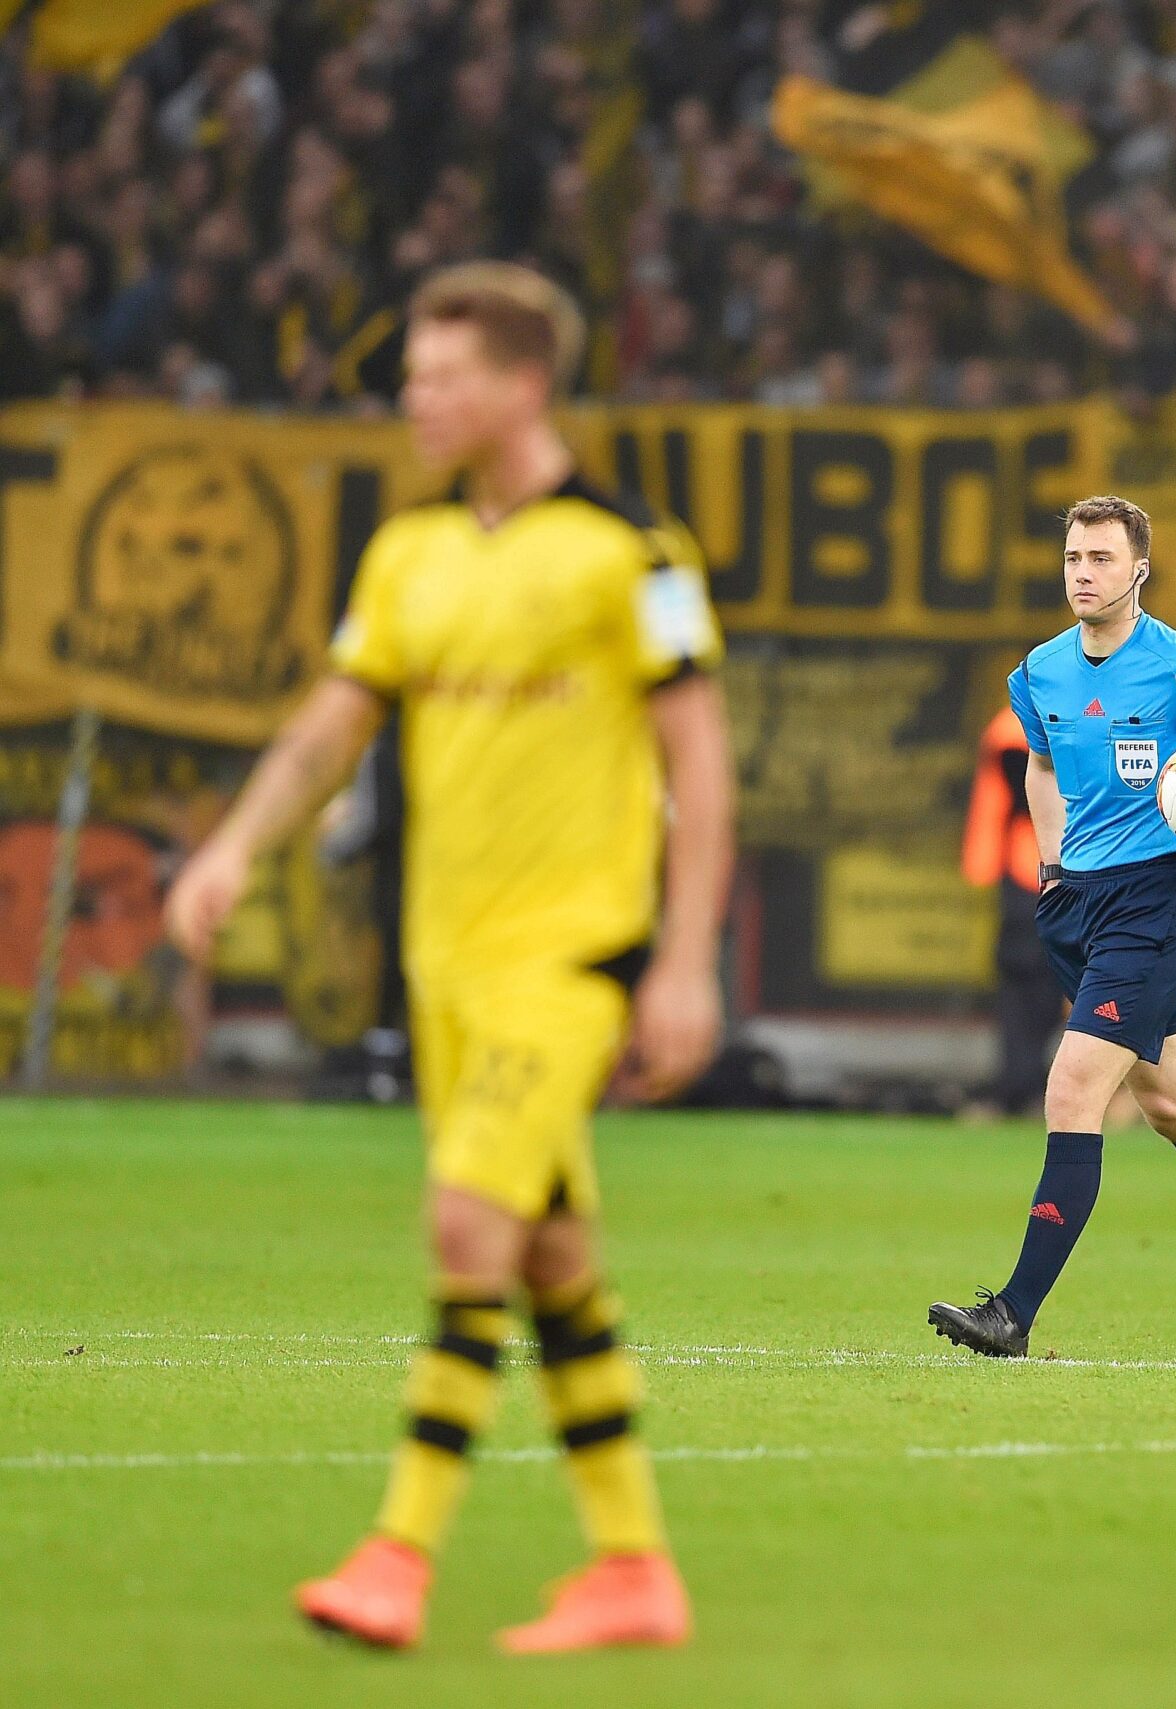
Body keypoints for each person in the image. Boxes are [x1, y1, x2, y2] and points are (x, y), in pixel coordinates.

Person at [164, 262, 733, 1651]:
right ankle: (632, 1572)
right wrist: (237, 843)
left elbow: (702, 760)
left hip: (573, 955)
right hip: (445, 970)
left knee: (466, 1226)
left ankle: (396, 1555)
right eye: (412, 377)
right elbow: (330, 721)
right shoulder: (409, 551)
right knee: (547, 1257)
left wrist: (685, 961)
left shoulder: (632, 554)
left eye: (439, 375)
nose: (413, 399)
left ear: (522, 384)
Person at [928, 496, 1176, 1359]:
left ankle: (1013, 1312)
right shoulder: (1039, 671)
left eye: (1102, 558)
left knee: (1074, 1085)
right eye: (1073, 556)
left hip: (1154, 906)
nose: (1083, 572)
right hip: (1075, 904)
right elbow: (1041, 766)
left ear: (1139, 569)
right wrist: (1048, 864)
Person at [961, 705, 1055, 1117]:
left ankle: (1025, 1086)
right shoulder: (1013, 726)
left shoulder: (1007, 723)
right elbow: (1006, 796)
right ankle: (1022, 1086)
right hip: (1037, 868)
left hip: (1036, 869)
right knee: (1035, 981)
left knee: (1038, 985)